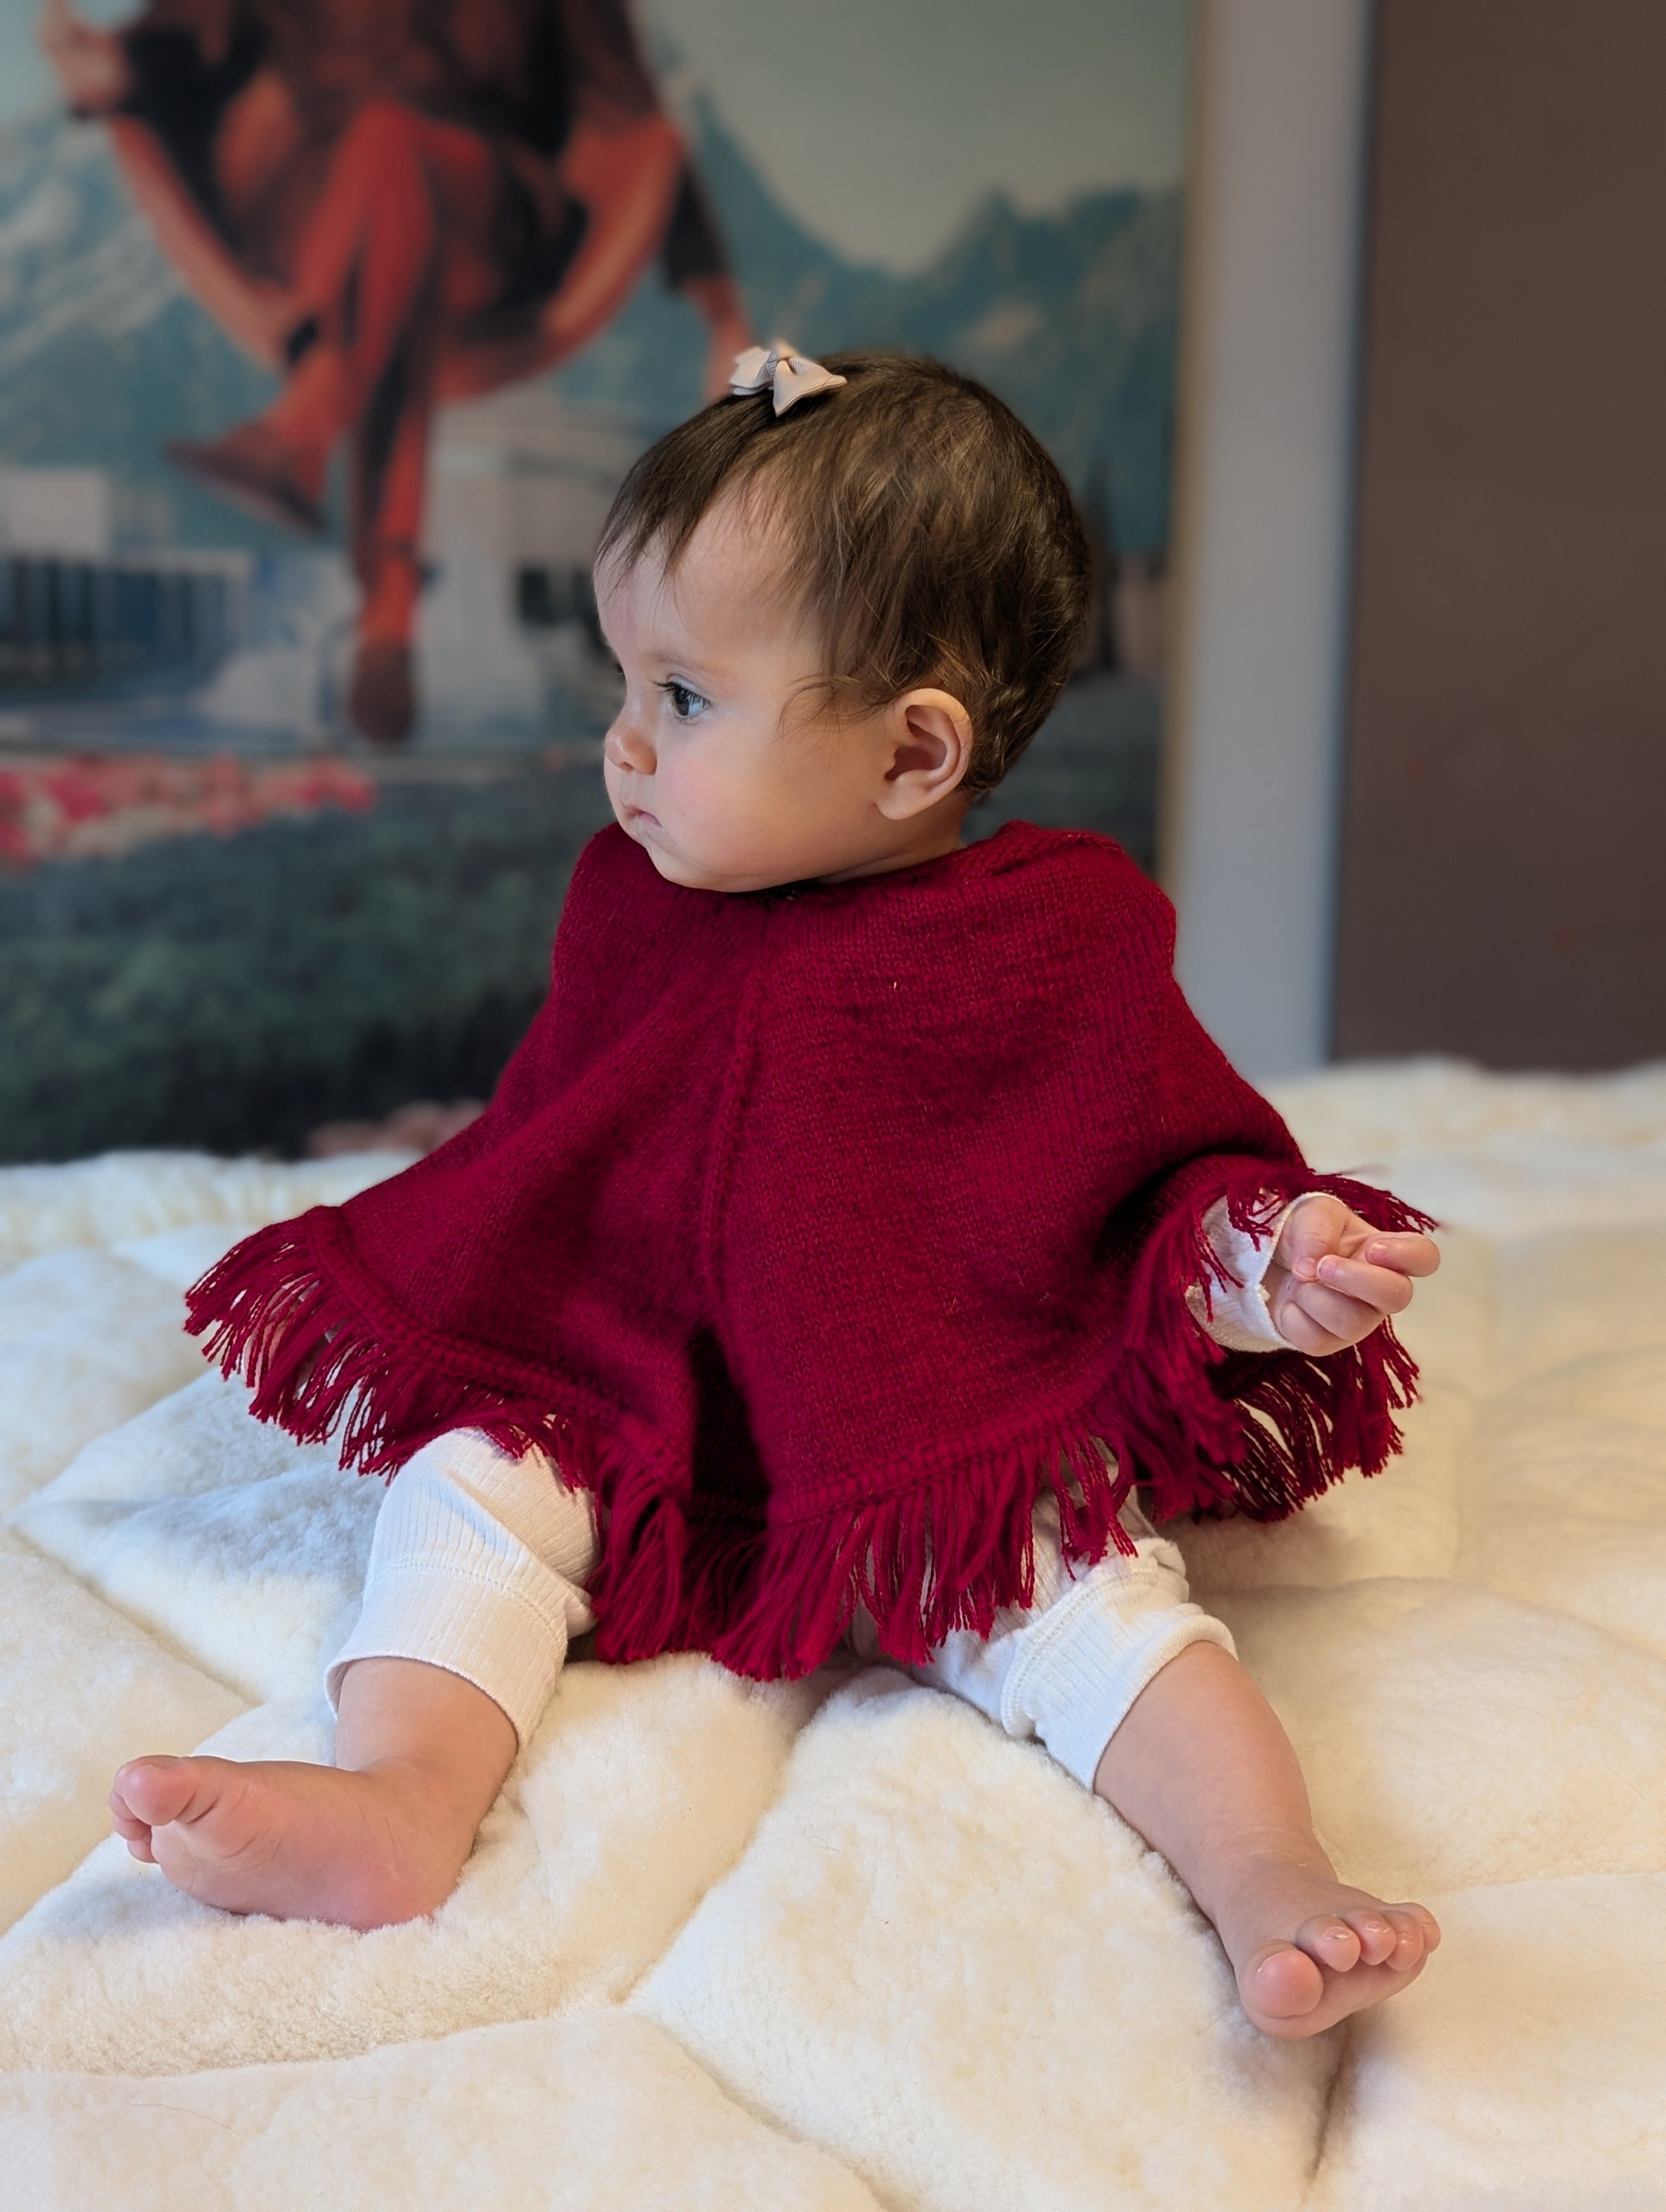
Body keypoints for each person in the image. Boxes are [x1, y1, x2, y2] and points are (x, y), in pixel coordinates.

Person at [110, 351, 1442, 2041]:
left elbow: (1148, 1191)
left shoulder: (1054, 939)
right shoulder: (634, 906)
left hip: (929, 1427)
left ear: (911, 756)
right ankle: (397, 1796)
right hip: (639, 1407)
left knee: (1096, 1606)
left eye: (685, 695)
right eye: (624, 680)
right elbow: (569, 1164)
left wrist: (1272, 1264)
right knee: (471, 1492)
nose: (623, 744)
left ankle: (1272, 1872)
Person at [39, 0, 752, 745]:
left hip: (490, 217)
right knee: (388, 261)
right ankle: (387, 613)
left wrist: (719, 308)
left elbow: (640, 137)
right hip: (315, 220)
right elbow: (196, 53)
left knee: (388, 149)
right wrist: (116, 72)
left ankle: (310, 426)